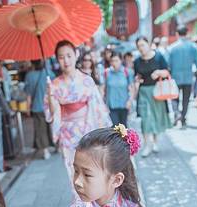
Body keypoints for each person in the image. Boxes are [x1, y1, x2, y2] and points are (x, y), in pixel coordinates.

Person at [45, 40, 112, 184]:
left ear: (76, 54)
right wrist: (50, 96)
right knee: (73, 171)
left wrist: (101, 132)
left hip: (87, 128)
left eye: (69, 55)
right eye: (61, 57)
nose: (66, 60)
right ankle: (79, 197)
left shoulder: (87, 80)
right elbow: (52, 114)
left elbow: (97, 108)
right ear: (57, 60)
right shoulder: (54, 85)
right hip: (67, 133)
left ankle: (93, 195)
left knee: (92, 168)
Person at [134, 36, 172, 156]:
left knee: (156, 116)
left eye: (143, 45)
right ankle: (147, 144)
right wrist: (137, 79)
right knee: (145, 118)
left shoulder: (159, 57)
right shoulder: (137, 61)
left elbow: (167, 72)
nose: (141, 48)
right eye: (139, 46)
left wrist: (159, 72)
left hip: (157, 91)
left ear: (148, 44)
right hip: (143, 92)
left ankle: (155, 142)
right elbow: (137, 76)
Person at [168, 26, 197, 129]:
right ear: (187, 34)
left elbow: (168, 64)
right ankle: (183, 118)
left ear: (177, 34)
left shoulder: (172, 48)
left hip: (175, 77)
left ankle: (177, 113)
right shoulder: (192, 47)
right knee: (186, 99)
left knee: (174, 97)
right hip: (188, 77)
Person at [24, 60, 54, 159]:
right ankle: (57, 146)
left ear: (32, 64)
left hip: (37, 107)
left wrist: (28, 108)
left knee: (41, 130)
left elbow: (28, 95)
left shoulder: (29, 76)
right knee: (53, 126)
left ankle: (45, 151)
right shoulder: (48, 73)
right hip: (50, 105)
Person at [104, 53, 135, 126]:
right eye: (112, 61)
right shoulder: (107, 72)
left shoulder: (127, 72)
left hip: (124, 105)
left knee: (124, 127)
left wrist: (130, 101)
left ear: (121, 61)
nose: (114, 63)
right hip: (111, 105)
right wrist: (103, 104)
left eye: (116, 60)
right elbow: (103, 89)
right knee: (114, 128)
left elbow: (132, 88)